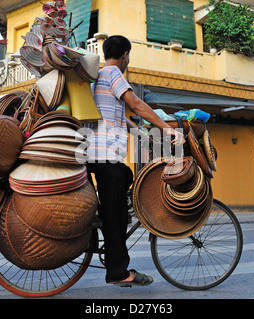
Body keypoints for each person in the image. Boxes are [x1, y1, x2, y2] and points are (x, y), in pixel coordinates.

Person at [84, 35, 184, 287]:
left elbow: (115, 115)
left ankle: (112, 248)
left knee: (120, 189)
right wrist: (165, 128)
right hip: (105, 155)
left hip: (90, 153)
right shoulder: (114, 73)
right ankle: (117, 272)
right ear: (126, 54)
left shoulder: (97, 78)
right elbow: (136, 104)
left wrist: (139, 132)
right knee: (115, 211)